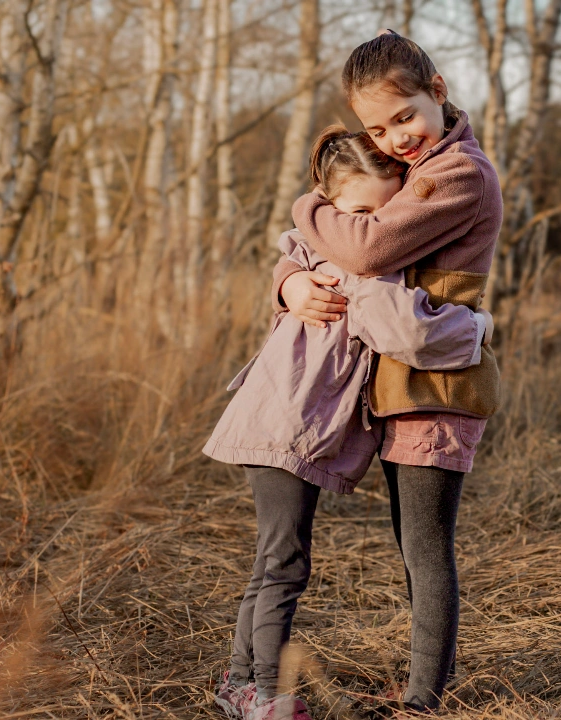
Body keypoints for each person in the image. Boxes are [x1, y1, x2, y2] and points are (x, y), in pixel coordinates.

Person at [206, 125, 494, 720]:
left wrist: (289, 278)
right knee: (284, 564)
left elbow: (293, 256)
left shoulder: (310, 249)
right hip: (287, 427)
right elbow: (410, 332)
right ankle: (268, 694)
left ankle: (239, 684)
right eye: (358, 214)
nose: (370, 230)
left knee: (272, 561)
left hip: (275, 420)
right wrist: (479, 328)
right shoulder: (361, 272)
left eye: (381, 216)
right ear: (330, 205)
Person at [273, 32, 504, 715]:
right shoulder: (418, 167)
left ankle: (424, 700)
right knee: (412, 545)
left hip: (437, 385)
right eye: (376, 129)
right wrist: (289, 280)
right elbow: (334, 256)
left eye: (404, 117)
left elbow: (367, 248)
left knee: (426, 549)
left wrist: (307, 207)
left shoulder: (458, 175)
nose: (395, 138)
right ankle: (420, 686)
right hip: (399, 384)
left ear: (438, 91)